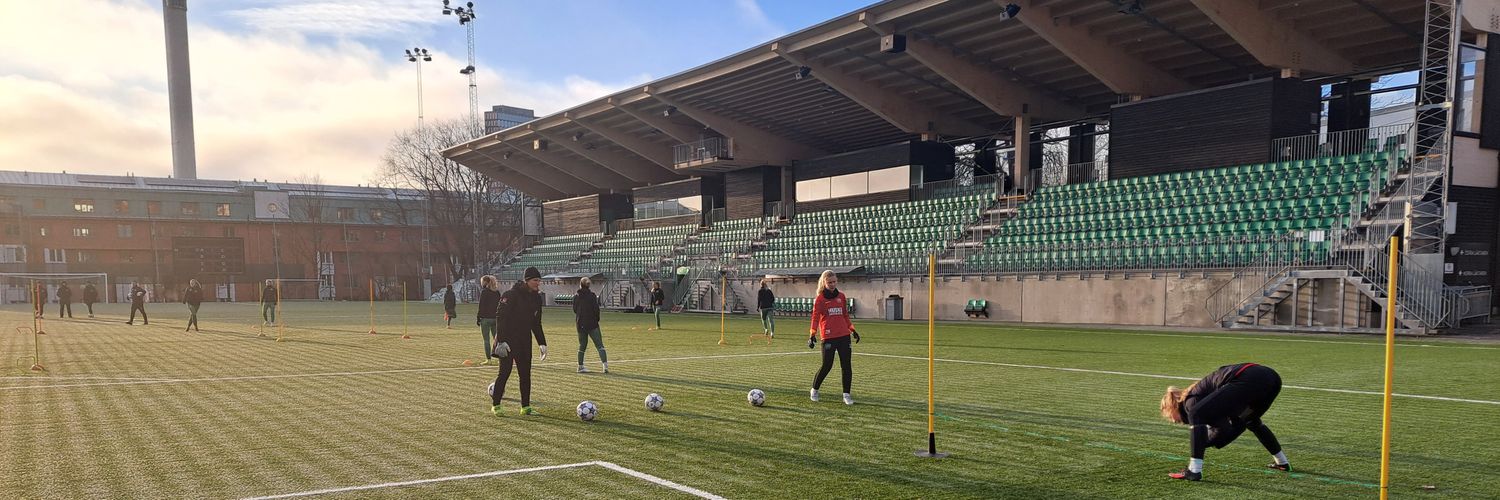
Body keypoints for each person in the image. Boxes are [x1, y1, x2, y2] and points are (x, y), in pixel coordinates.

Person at [1160, 363, 1289, 481]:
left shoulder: (1190, 402)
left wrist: (1203, 442)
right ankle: (1282, 462)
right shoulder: (1204, 400)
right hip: (1273, 379)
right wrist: (1208, 442)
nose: (1173, 420)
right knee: (1250, 420)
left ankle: (1194, 470)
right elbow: (1235, 427)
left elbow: (1221, 427)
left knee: (1195, 413)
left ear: (1173, 406)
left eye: (1172, 418)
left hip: (1249, 376)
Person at [490, 267, 549, 416]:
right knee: (504, 372)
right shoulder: (511, 295)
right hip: (508, 341)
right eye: (535, 280)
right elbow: (500, 317)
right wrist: (501, 341)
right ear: (527, 280)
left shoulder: (536, 298)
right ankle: (496, 405)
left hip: (524, 341)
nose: (538, 283)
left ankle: (525, 407)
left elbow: (536, 323)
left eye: (539, 280)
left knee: (525, 374)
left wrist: (542, 343)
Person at [809, 270, 859, 405]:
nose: (832, 284)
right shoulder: (820, 299)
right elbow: (815, 318)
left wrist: (853, 330)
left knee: (846, 366)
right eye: (829, 282)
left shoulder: (841, 297)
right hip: (828, 337)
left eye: (834, 282)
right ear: (824, 282)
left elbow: (845, 316)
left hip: (844, 336)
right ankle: (814, 389)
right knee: (827, 365)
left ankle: (846, 395)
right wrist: (812, 333)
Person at [573, 277, 608, 374]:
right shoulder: (592, 296)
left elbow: (575, 310)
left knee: (582, 346)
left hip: (580, 323)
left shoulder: (576, 296)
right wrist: (596, 319)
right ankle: (605, 366)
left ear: (580, 284)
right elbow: (596, 309)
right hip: (592, 323)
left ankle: (580, 366)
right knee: (599, 345)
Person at [476, 276, 501, 366]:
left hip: (486, 319)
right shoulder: (497, 292)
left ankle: (488, 359)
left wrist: (478, 317)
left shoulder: (484, 292)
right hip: (495, 318)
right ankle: (500, 359)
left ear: (485, 282)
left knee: (486, 340)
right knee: (497, 339)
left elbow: (481, 305)